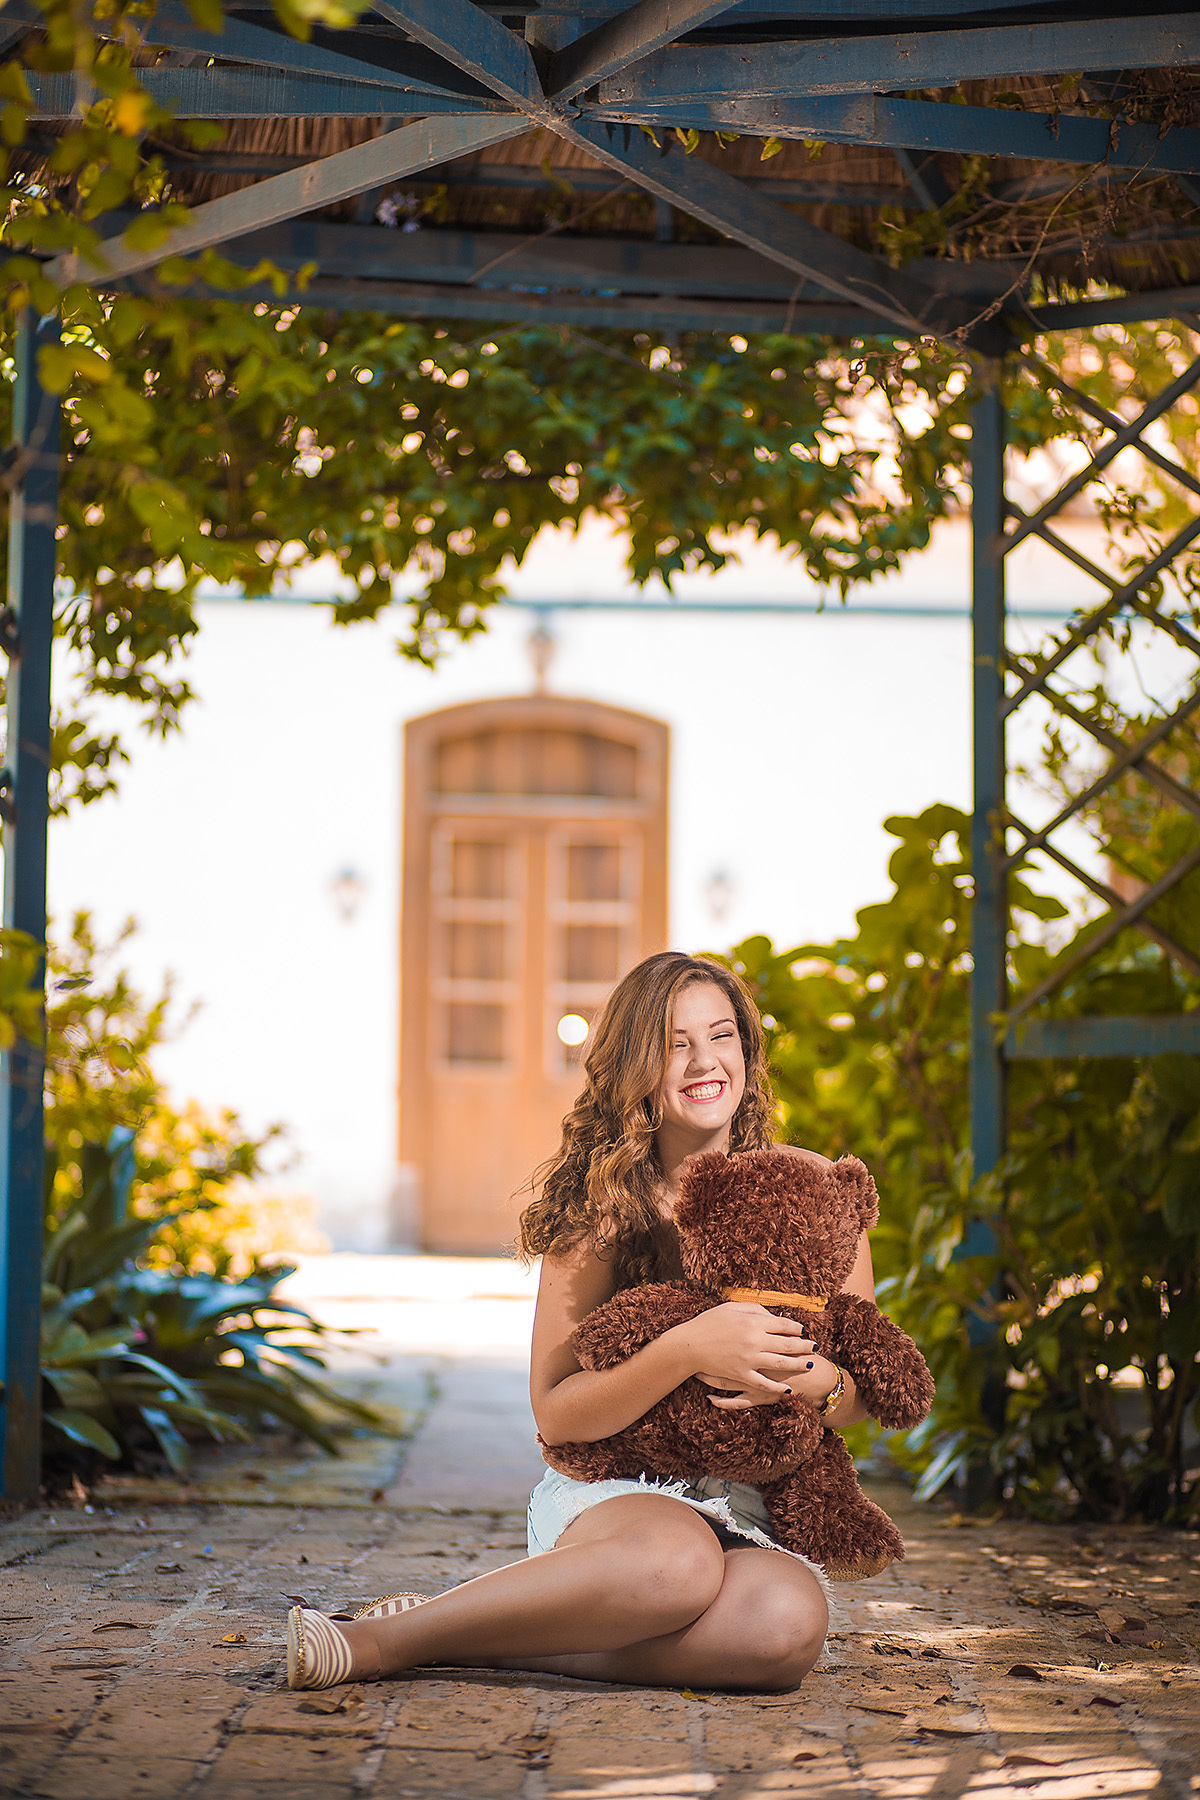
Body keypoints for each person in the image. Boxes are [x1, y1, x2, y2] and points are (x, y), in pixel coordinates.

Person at [286, 950, 877, 1694]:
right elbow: (557, 1413)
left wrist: (809, 1378)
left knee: (783, 1630)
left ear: (747, 1051)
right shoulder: (605, 1207)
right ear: (636, 1065)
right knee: (676, 1563)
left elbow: (862, 1389)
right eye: (675, 1043)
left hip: (750, 1502)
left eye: (722, 1035)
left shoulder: (815, 1189)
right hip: (618, 1492)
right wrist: (689, 1348)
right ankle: (382, 1640)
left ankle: (489, 1640)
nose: (704, 1061)